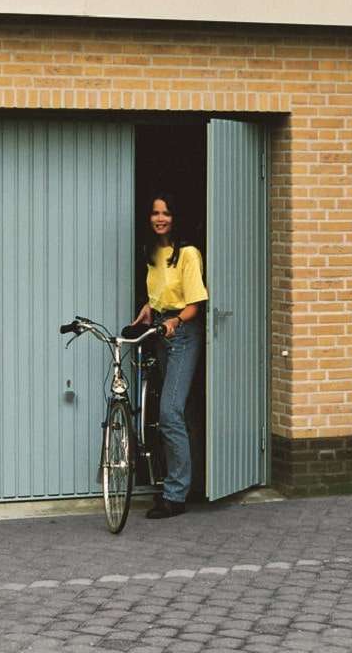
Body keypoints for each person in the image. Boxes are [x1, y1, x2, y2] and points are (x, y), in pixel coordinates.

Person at [132, 192, 208, 519]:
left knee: (170, 413)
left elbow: (194, 303)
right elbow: (160, 293)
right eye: (154, 212)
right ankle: (193, 483)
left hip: (183, 333)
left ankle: (175, 495)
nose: (159, 218)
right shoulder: (152, 253)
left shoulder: (188, 254)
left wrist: (175, 320)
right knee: (181, 412)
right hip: (162, 331)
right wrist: (150, 309)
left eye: (166, 212)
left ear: (177, 217)